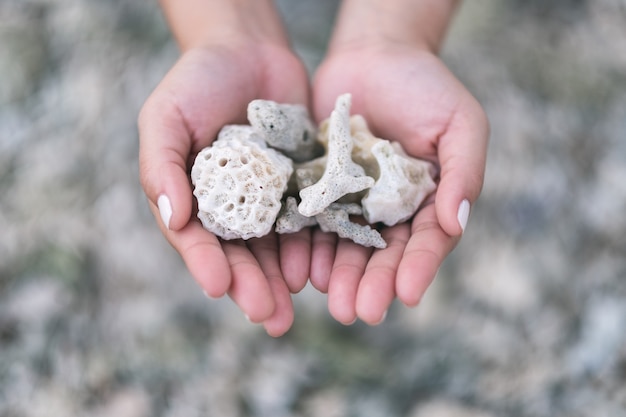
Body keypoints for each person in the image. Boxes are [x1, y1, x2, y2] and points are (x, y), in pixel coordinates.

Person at [138, 0, 489, 337]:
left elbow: (312, 202)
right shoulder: (293, 187)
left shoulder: (316, 176)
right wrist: (226, 30)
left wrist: (393, 34)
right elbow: (307, 206)